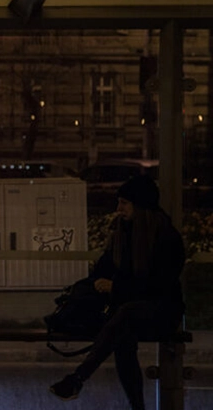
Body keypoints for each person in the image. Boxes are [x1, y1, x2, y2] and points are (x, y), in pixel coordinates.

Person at [49, 175, 186, 410]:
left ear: (140, 205)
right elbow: (102, 270)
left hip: (162, 311)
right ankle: (134, 406)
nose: (118, 209)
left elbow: (160, 286)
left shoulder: (166, 237)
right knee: (123, 333)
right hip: (126, 313)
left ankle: (78, 377)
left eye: (124, 203)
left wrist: (117, 287)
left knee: (126, 315)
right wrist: (96, 284)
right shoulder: (122, 235)